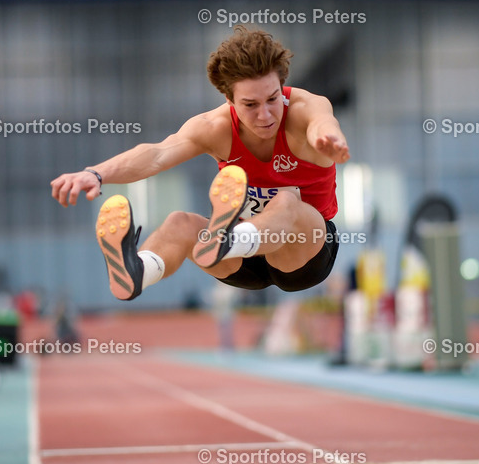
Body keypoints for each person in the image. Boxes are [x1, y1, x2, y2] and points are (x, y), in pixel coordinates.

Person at [51, 26, 350, 300]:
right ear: (229, 99)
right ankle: (138, 269)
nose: (266, 115)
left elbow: (322, 122)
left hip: (303, 253)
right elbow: (157, 154)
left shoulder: (305, 109)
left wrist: (330, 138)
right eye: (250, 105)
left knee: (286, 201)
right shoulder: (215, 127)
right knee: (180, 223)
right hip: (243, 261)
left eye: (272, 99)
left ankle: (227, 240)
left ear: (281, 85)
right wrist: (96, 173)